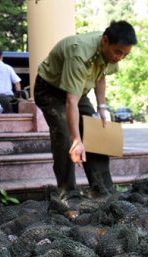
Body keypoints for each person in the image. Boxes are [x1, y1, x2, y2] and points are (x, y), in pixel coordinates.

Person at [34, 21, 137, 199]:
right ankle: (68, 194)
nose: (120, 57)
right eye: (118, 52)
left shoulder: (110, 53)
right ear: (105, 41)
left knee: (96, 133)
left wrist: (101, 107)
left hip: (78, 92)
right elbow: (70, 101)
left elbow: (101, 75)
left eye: (125, 55)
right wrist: (76, 140)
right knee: (65, 137)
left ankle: (103, 190)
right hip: (50, 90)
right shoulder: (79, 53)